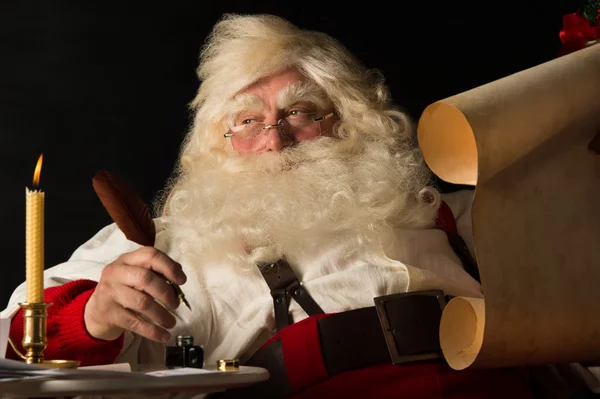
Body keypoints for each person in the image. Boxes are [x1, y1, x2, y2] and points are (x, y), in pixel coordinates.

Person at [3, 13, 597, 399]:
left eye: (299, 113)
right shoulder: (165, 243)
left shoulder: (460, 215)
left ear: (350, 122)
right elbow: (17, 343)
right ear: (220, 142)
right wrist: (95, 316)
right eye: (248, 121)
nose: (275, 139)